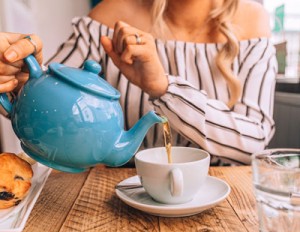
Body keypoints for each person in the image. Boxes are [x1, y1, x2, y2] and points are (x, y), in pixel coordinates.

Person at [0, 0, 277, 165]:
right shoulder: (110, 15)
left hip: (224, 198)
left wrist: (163, 87)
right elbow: (47, 103)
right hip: (116, 192)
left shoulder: (253, 20)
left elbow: (254, 142)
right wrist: (19, 81)